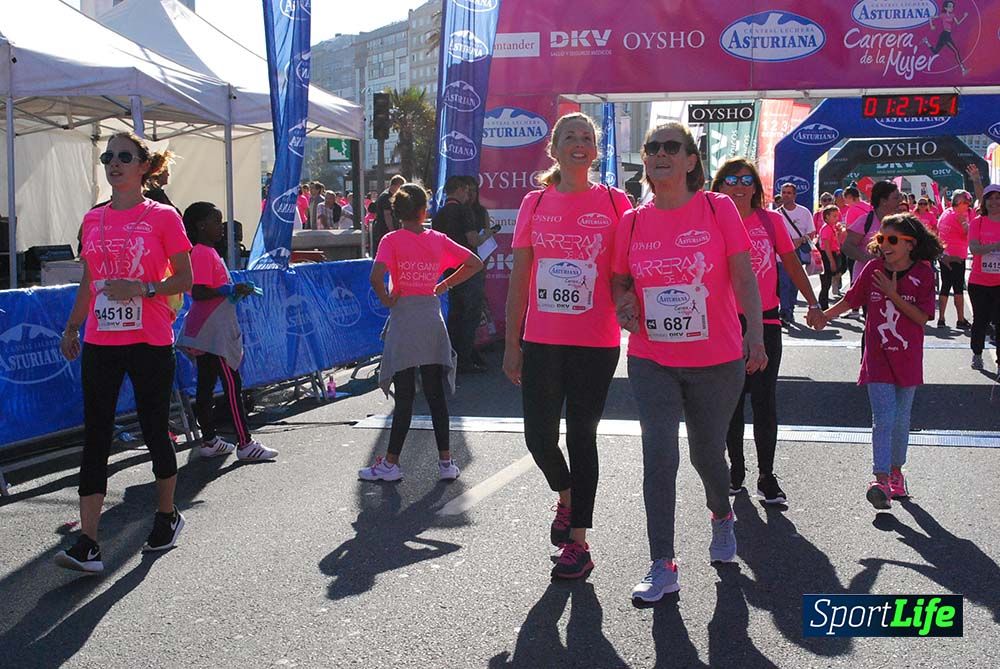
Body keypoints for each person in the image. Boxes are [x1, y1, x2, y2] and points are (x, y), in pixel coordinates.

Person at [612, 123, 766, 604]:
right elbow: (619, 281)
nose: (660, 154)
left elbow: (743, 275)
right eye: (653, 148)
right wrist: (623, 304)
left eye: (671, 147)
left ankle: (722, 515)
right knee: (659, 456)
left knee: (705, 455)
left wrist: (755, 335)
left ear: (690, 161)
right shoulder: (632, 221)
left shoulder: (717, 208)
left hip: (716, 358)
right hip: (651, 357)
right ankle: (663, 563)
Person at [55, 132, 194, 573]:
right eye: (107, 156)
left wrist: (145, 288)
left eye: (123, 157)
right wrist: (73, 326)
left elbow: (186, 278)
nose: (113, 163)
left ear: (142, 166)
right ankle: (89, 542)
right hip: (101, 339)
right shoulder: (93, 219)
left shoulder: (163, 217)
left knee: (155, 430)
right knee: (96, 434)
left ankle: (167, 515)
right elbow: (88, 281)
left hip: (149, 339)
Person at [504, 112, 631, 580]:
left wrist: (630, 303)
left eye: (587, 138)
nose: (579, 144)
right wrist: (512, 342)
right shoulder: (534, 204)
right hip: (541, 339)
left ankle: (579, 541)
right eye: (570, 137)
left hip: (595, 341)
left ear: (595, 152)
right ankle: (566, 495)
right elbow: (520, 276)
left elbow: (627, 270)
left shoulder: (617, 203)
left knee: (581, 435)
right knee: (538, 437)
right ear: (553, 149)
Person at [712, 158, 822, 507]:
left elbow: (792, 265)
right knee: (729, 402)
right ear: (720, 186)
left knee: (764, 400)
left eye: (746, 179)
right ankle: (735, 470)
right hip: (723, 323)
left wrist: (814, 305)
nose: (739, 185)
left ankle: (767, 475)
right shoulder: (710, 219)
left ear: (757, 188)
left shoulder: (770, 220)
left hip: (767, 322)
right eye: (731, 179)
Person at [359, 184, 484, 482]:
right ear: (424, 211)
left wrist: (388, 299)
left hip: (404, 317)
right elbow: (475, 263)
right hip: (430, 315)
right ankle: (446, 463)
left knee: (404, 396)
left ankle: (390, 464)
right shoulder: (437, 240)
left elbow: (376, 276)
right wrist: (443, 285)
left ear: (398, 212)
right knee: (435, 392)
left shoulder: (391, 240)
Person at [821, 214, 941, 509]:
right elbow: (851, 299)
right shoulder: (873, 268)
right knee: (883, 419)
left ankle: (897, 472)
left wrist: (892, 293)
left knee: (901, 421)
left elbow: (922, 317)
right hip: (877, 356)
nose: (883, 245)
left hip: (908, 357)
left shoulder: (924, 273)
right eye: (881, 239)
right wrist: (824, 317)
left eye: (892, 240)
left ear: (910, 244)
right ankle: (881, 479)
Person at [178, 202, 278, 462]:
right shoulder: (201, 252)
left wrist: (233, 292)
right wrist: (228, 290)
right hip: (212, 332)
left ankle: (210, 440)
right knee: (232, 385)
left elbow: (210, 291)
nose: (221, 227)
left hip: (212, 329)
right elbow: (199, 291)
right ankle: (244, 443)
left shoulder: (208, 251)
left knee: (207, 385)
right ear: (201, 225)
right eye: (215, 221)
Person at [432, 175, 496, 373]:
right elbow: (473, 240)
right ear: (458, 189)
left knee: (454, 315)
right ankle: (465, 360)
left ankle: (451, 357)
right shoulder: (464, 211)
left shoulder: (439, 214)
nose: (468, 193)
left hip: (447, 270)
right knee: (470, 315)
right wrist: (487, 234)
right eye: (466, 190)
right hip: (468, 269)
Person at [968, 183, 1000, 369]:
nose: (994, 202)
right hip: (979, 282)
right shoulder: (977, 222)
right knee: (980, 320)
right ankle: (977, 353)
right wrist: (994, 246)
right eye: (991, 198)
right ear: (985, 202)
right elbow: (974, 248)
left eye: (998, 198)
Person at [774, 181, 815, 324]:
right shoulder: (776, 214)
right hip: (781, 255)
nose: (785, 195)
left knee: (794, 283)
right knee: (784, 283)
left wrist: (801, 239)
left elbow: (811, 232)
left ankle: (789, 307)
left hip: (797, 253)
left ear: (795, 195)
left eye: (789, 193)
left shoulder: (804, 212)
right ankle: (785, 311)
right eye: (783, 192)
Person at [936, 189, 973, 329]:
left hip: (944, 255)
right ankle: (960, 319)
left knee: (945, 286)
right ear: (961, 202)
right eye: (966, 202)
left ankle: (941, 318)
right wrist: (966, 226)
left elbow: (940, 231)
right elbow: (969, 236)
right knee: (957, 288)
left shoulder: (946, 213)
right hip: (957, 256)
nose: (968, 205)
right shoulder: (961, 216)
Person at [922, 0, 970, 75]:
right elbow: (930, 17)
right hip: (944, 35)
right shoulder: (943, 15)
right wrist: (931, 26)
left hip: (947, 34)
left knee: (935, 52)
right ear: (946, 8)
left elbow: (958, 23)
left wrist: (964, 17)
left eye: (952, 6)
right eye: (950, 6)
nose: (952, 8)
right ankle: (963, 69)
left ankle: (926, 41)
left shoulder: (952, 15)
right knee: (956, 51)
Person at [817, 205, 846, 310]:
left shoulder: (833, 228)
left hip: (833, 253)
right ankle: (823, 305)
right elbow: (826, 246)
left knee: (829, 281)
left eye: (837, 216)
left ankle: (823, 304)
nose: (836, 218)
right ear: (826, 217)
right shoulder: (826, 229)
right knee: (825, 282)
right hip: (827, 255)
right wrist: (831, 261)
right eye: (834, 216)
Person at [373, 175, 404, 252]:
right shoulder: (386, 197)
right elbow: (387, 215)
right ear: (396, 185)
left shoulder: (389, 195)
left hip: (384, 229)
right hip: (383, 230)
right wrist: (392, 232)